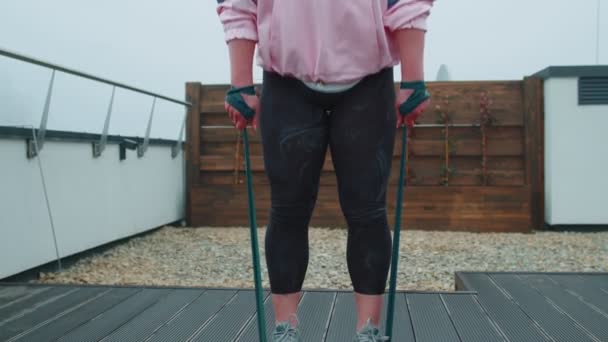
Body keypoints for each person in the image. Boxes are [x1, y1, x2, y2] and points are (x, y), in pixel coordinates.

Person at [216, 0, 434, 340]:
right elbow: (238, 4)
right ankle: (285, 329)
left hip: (367, 78)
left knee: (368, 211)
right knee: (287, 210)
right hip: (287, 78)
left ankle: (369, 331)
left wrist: (413, 78)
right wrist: (240, 83)